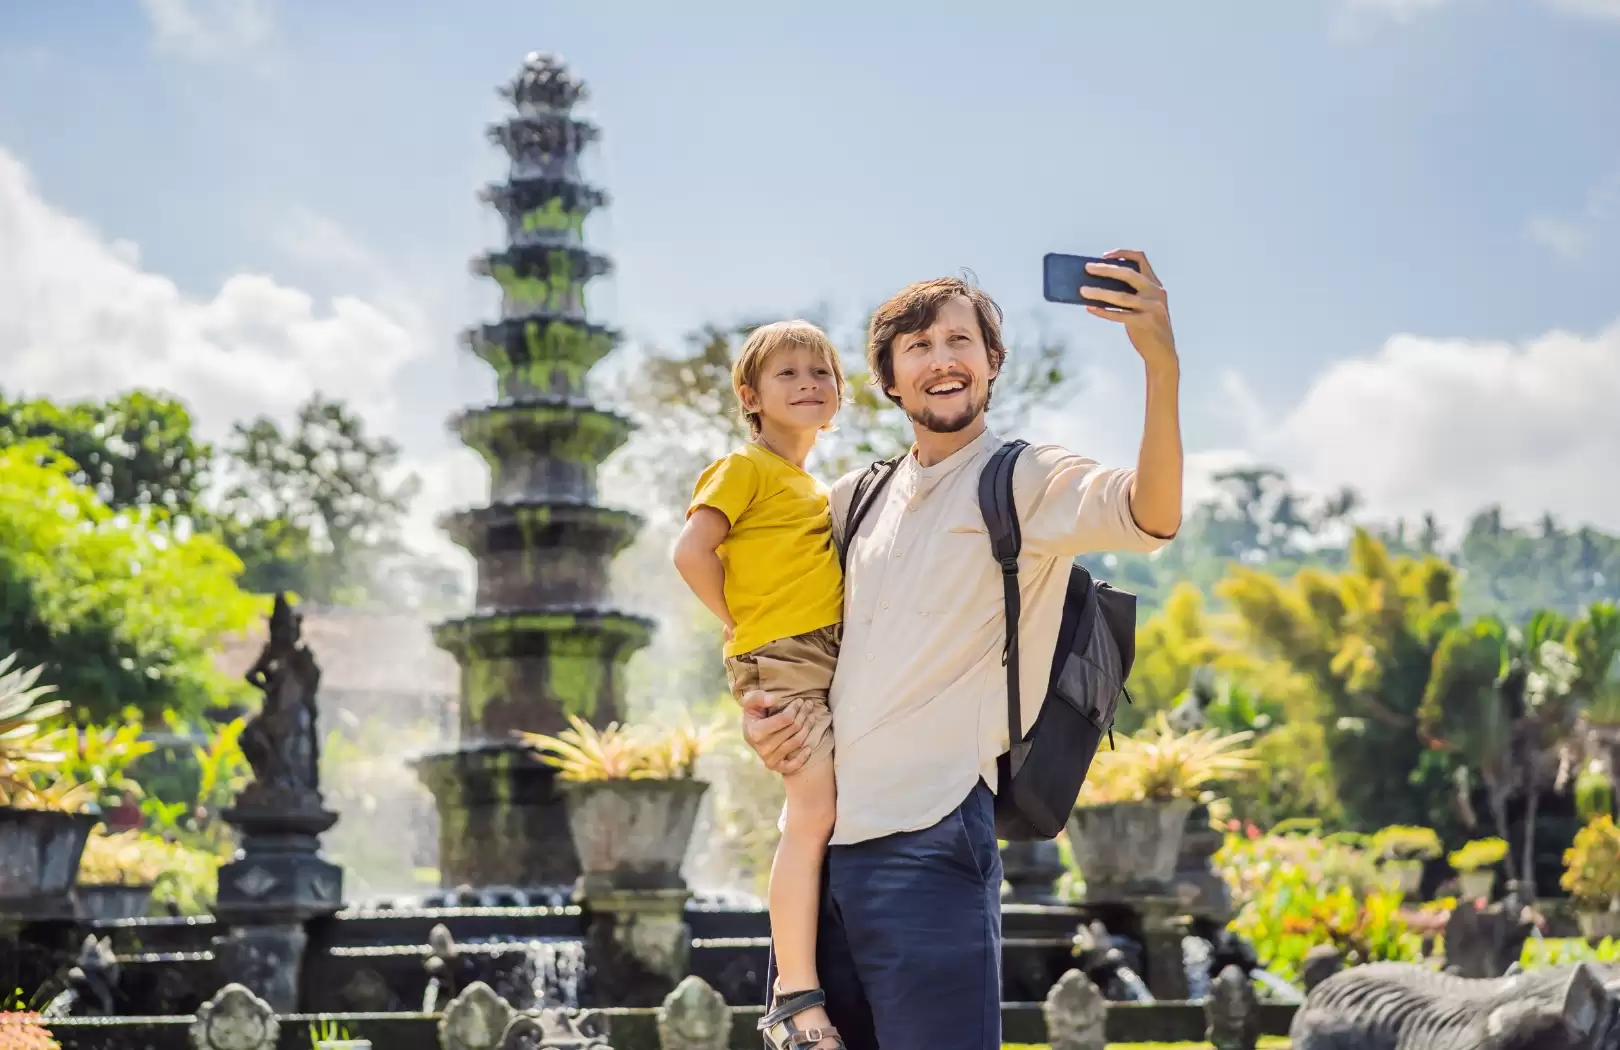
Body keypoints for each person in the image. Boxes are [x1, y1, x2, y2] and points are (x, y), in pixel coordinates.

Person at [740, 252, 1184, 1050]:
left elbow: (1152, 516)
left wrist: (1160, 364)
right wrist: (762, 708)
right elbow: (779, 620)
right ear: (888, 379)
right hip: (821, 855)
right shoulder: (854, 499)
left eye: (959, 342)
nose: (942, 360)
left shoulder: (1024, 480)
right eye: (918, 347)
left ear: (990, 364)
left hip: (932, 841)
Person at [672, 319, 850, 1050]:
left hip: (817, 654)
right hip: (784, 656)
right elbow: (689, 552)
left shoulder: (808, 485)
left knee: (824, 815)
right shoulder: (744, 467)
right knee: (810, 816)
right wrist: (743, 623)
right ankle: (795, 995)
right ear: (750, 395)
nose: (808, 383)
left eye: (821, 372)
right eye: (789, 374)